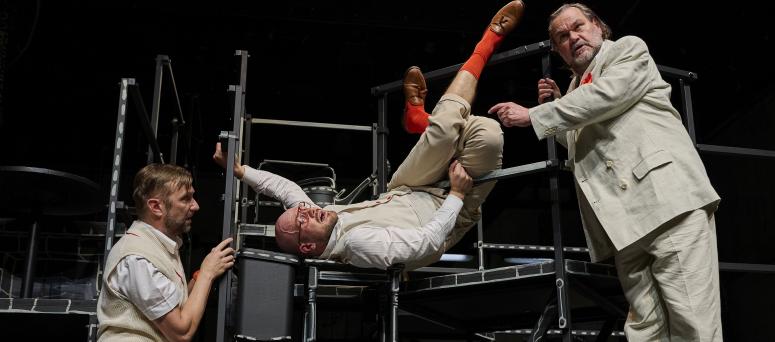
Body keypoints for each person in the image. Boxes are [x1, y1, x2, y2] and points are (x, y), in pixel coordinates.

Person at [213, 1, 523, 270]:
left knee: (444, 131)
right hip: (453, 209)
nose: (306, 210)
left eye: (301, 211)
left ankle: (489, 39)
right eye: (300, 219)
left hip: (408, 187)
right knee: (489, 132)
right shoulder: (359, 245)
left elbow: (286, 190)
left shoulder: (322, 219)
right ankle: (421, 121)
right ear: (307, 247)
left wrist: (240, 171)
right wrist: (456, 194)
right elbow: (428, 243)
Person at [489, 3, 722, 341]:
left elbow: (607, 95)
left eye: (578, 26)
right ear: (559, 51)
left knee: (692, 320)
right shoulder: (574, 89)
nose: (574, 37)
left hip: (667, 202)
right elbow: (581, 141)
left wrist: (537, 116)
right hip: (621, 223)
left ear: (598, 26)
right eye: (562, 36)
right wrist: (555, 106)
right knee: (645, 328)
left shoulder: (628, 49)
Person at [97, 163, 235, 342]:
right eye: (186, 199)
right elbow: (181, 332)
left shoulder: (158, 245)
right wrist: (207, 274)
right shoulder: (137, 258)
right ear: (156, 207)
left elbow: (177, 307)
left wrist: (202, 275)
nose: (196, 206)